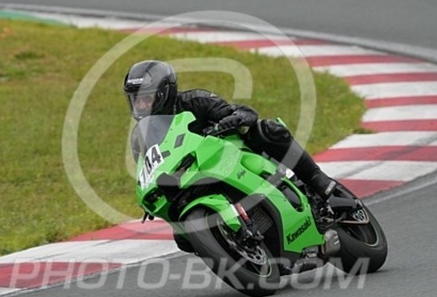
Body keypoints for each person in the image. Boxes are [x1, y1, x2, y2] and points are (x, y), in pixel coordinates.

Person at [124, 60, 336, 251]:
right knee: (183, 239)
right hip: (189, 179)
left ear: (164, 93)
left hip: (228, 156)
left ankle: (315, 178)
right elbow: (150, 170)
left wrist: (232, 119)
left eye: (145, 99)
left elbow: (243, 112)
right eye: (135, 100)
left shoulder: (195, 100)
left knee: (268, 130)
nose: (140, 105)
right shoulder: (139, 138)